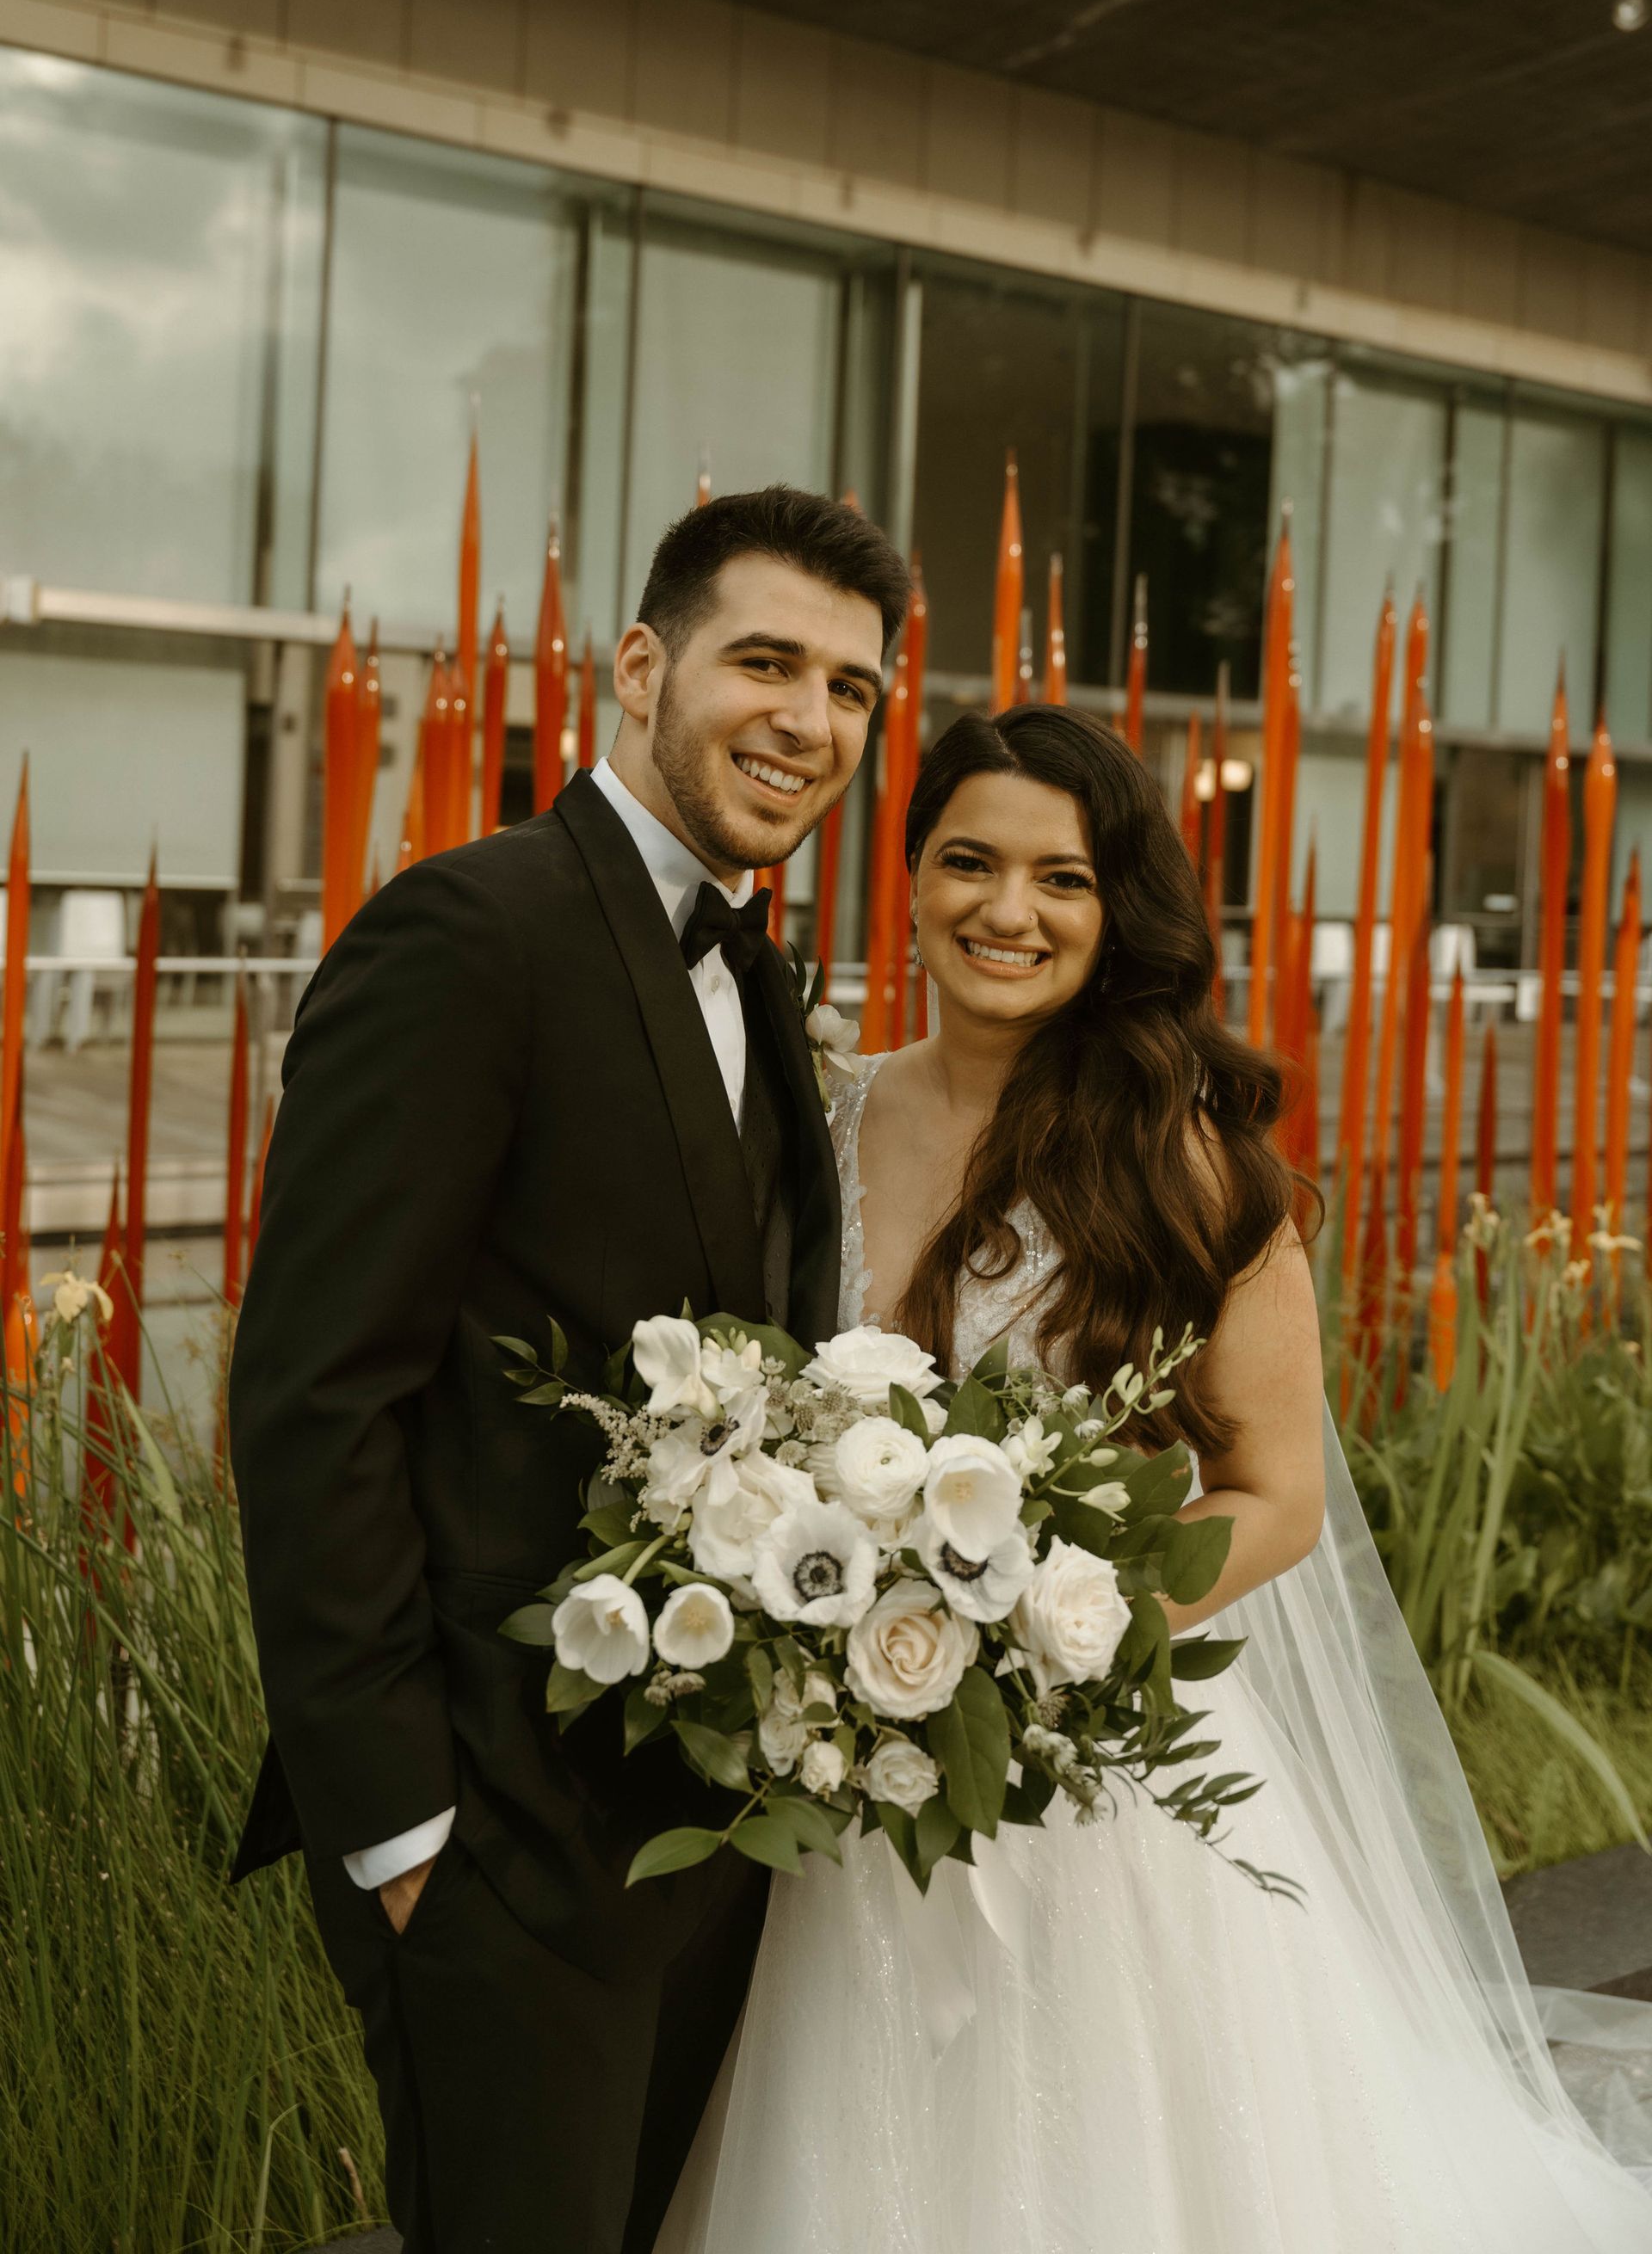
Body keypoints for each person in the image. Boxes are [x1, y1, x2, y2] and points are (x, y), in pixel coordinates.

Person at [660, 704, 1652, 2254]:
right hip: (846, 1759)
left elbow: (1280, 1492)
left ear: (1118, 910)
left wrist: (1056, 1623)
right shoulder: (819, 1118)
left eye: (1061, 877)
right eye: (968, 861)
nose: (1009, 909)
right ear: (910, 879)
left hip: (1099, 1753)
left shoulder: (1190, 1165)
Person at [227, 486, 911, 2254]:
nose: (809, 720)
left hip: (701, 1836)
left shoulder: (757, 973)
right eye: (766, 661)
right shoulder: (468, 934)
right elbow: (317, 1396)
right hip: (496, 1851)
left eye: (852, 689)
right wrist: (400, 1839)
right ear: (637, 667)